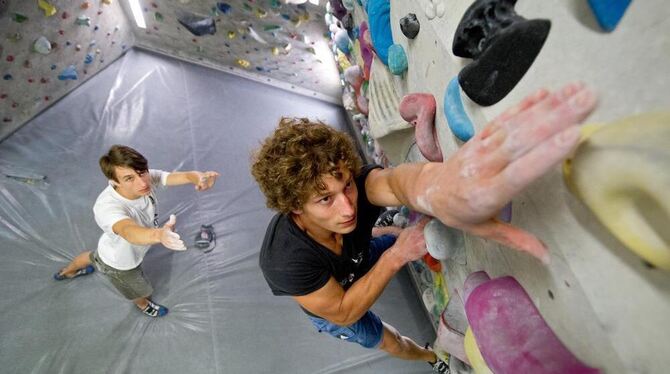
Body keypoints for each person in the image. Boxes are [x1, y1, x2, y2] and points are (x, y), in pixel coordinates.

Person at [251, 82, 596, 372]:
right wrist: (396, 257)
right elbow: (343, 311)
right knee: (390, 340)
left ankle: (385, 236)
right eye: (325, 200)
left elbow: (396, 183)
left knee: (390, 237)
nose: (347, 207)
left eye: (346, 187)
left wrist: (437, 186)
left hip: (357, 255)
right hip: (335, 302)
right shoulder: (286, 262)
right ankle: (433, 356)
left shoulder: (354, 191)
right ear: (296, 208)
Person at [54, 145, 219, 317]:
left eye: (142, 172)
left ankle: (68, 271)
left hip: (109, 249)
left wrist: (196, 177)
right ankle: (143, 305)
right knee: (141, 290)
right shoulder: (107, 207)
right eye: (129, 178)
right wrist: (158, 234)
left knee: (93, 258)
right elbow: (127, 230)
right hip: (120, 264)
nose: (142, 182)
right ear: (114, 182)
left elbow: (169, 177)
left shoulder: (142, 177)